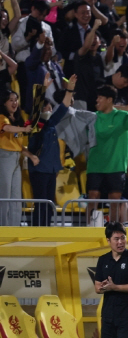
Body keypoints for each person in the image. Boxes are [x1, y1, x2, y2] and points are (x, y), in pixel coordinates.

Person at [86, 85, 128, 224]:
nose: (97, 100)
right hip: (95, 165)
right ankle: (88, 226)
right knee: (93, 197)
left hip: (116, 166)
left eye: (100, 97)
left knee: (115, 200)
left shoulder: (122, 116)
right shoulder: (92, 117)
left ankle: (113, 229)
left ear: (109, 99)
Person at [27, 75, 74, 226]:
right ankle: (37, 230)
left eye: (50, 108)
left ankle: (47, 229)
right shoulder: (34, 125)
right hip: (39, 169)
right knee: (41, 203)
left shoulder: (51, 123)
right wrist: (43, 90)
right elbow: (35, 109)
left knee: (49, 204)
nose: (49, 110)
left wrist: (70, 90)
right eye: (46, 108)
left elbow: (64, 107)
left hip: (51, 170)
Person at [0, 90, 35, 226]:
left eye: (16, 100)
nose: (15, 103)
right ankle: (3, 228)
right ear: (4, 103)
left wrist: (31, 156)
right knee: (4, 194)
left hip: (16, 159)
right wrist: (24, 130)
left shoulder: (18, 121)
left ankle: (14, 226)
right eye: (11, 100)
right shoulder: (2, 117)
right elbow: (7, 129)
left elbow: (19, 146)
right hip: (4, 157)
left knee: (16, 196)